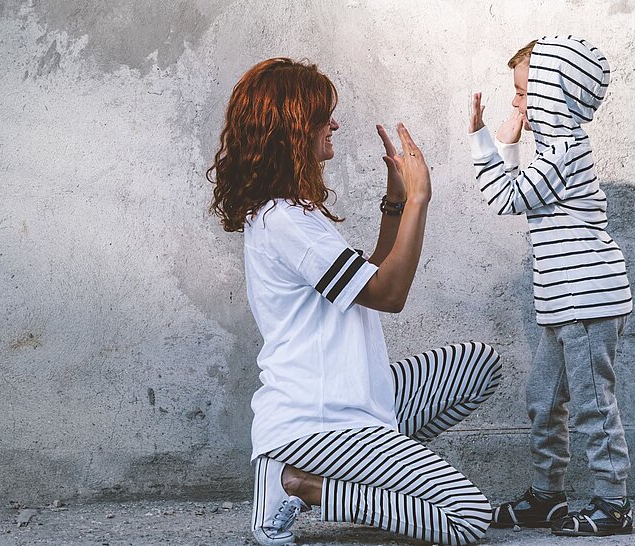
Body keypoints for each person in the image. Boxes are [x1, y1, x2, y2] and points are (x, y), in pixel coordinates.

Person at [209, 57, 502, 546]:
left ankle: (371, 473)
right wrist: (419, 200)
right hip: (318, 421)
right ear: (293, 128)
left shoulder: (293, 214)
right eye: (324, 116)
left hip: (351, 398)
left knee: (477, 365)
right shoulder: (285, 222)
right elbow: (389, 294)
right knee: (469, 518)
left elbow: (369, 282)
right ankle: (302, 484)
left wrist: (395, 199)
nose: (335, 125)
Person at [466, 36, 635, 537]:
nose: (517, 101)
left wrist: (490, 141)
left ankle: (613, 503)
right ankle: (547, 495)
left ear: (552, 93)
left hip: (587, 299)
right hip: (565, 302)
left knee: (593, 404)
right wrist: (511, 147)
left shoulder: (563, 152)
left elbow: (505, 197)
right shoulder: (555, 152)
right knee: (544, 398)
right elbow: (520, 193)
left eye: (524, 91)